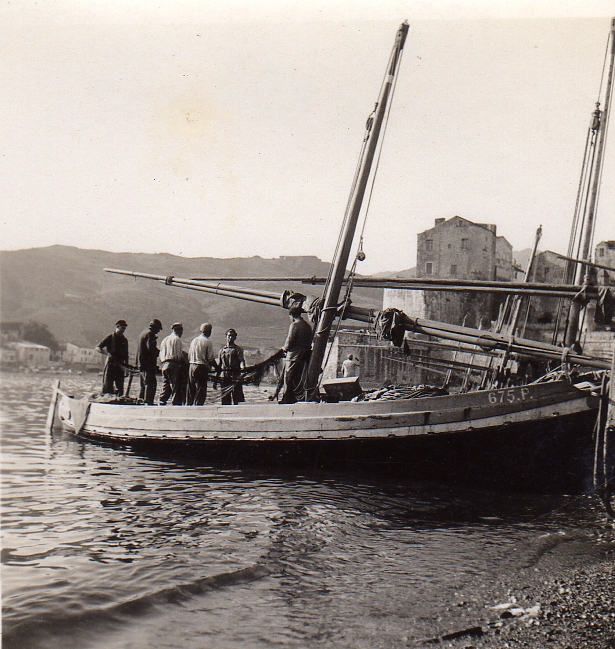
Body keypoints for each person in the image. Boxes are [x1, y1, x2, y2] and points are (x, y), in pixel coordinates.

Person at [280, 306, 313, 404]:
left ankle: (288, 398)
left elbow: (290, 340)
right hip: (304, 355)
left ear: (291, 315)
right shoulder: (307, 326)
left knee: (288, 376)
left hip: (294, 355)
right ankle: (298, 396)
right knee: (298, 376)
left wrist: (284, 349)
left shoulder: (294, 325)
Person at [96, 320, 129, 395]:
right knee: (108, 385)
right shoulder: (110, 337)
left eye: (124, 328)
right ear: (117, 327)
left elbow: (126, 355)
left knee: (120, 386)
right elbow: (98, 347)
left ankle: (118, 401)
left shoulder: (125, 340)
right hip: (110, 364)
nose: (123, 330)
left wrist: (126, 368)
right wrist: (106, 353)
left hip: (120, 365)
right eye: (122, 328)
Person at [187, 323, 217, 405]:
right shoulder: (207, 342)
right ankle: (198, 407)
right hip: (201, 367)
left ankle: (189, 407)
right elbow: (210, 358)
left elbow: (189, 356)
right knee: (201, 390)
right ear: (209, 331)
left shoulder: (193, 341)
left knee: (191, 390)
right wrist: (217, 367)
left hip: (191, 366)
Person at [135, 319, 162, 404]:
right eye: (158, 329)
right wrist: (161, 353)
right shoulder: (150, 334)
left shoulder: (143, 333)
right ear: (155, 327)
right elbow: (151, 349)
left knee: (144, 385)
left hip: (141, 364)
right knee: (151, 384)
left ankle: (141, 401)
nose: (158, 332)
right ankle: (148, 403)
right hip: (148, 365)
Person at [158, 322, 185, 405]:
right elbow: (179, 355)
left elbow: (160, 353)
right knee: (176, 386)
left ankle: (161, 401)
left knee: (166, 385)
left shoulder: (165, 340)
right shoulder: (177, 339)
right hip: (174, 364)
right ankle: (176, 403)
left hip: (164, 364)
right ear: (179, 330)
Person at [217, 328, 245, 405]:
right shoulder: (222, 350)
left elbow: (241, 360)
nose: (230, 338)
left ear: (235, 337)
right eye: (229, 336)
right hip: (225, 377)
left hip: (235, 376)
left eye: (232, 336)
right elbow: (219, 366)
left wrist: (242, 369)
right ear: (226, 336)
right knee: (225, 399)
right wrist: (216, 380)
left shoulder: (238, 349)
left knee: (238, 398)